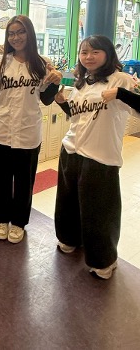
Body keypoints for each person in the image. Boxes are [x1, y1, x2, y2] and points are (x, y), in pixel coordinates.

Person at [54, 35, 138, 280]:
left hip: (101, 156)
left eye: (95, 52)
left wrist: (121, 94)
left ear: (108, 53)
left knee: (100, 212)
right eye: (84, 52)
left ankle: (103, 259)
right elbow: (78, 116)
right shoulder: (82, 82)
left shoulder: (121, 79)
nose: (88, 57)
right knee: (68, 202)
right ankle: (70, 238)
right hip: (71, 150)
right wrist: (62, 103)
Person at [0, 15, 62, 244]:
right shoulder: (0, 62)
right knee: (2, 179)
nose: (16, 37)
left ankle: (18, 223)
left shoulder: (41, 63)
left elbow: (46, 99)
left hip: (28, 132)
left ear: (30, 34)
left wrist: (55, 82)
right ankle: (2, 219)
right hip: (1, 131)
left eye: (21, 32)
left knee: (25, 182)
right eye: (11, 33)